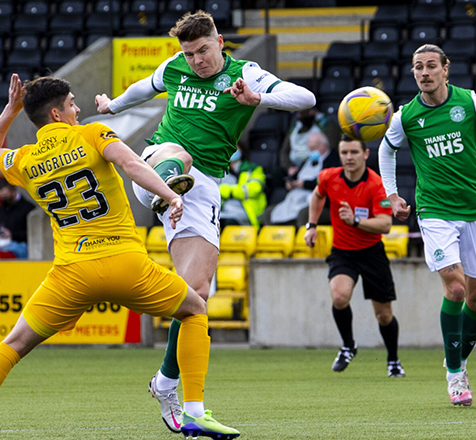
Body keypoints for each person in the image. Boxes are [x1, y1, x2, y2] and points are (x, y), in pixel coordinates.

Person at [0, 74, 240, 440]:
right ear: (56, 114)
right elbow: (133, 165)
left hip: (71, 274)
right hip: (125, 264)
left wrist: (9, 111)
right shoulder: (92, 134)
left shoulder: (27, 158)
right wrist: (172, 195)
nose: (78, 108)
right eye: (71, 103)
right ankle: (193, 411)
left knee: (13, 345)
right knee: (194, 310)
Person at [94, 10, 315, 432]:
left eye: (203, 50)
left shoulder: (245, 73)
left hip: (203, 189)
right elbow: (145, 87)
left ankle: (165, 382)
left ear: (219, 41)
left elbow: (305, 99)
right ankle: (167, 193)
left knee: (196, 296)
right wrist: (112, 105)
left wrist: (257, 98)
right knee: (180, 156)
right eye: (189, 53)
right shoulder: (175, 67)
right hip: (157, 165)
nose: (196, 60)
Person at [378, 44, 476, 406]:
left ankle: (455, 357)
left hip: (474, 210)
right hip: (435, 210)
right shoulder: (406, 116)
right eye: (417, 68)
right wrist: (393, 195)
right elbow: (385, 150)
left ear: (445, 69)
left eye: (430, 66)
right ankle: (456, 376)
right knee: (456, 289)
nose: (424, 73)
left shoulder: (469, 103)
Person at [305, 136, 404, 377]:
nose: (349, 157)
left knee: (383, 315)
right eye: (344, 152)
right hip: (343, 252)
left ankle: (393, 361)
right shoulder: (329, 177)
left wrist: (355, 221)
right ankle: (348, 346)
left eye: (354, 152)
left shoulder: (376, 184)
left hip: (372, 253)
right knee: (339, 297)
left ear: (365, 154)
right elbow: (318, 196)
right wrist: (312, 225)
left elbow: (385, 224)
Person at [262, 131, 340, 227]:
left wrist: (304, 184)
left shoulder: (334, 160)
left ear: (324, 145)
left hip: (321, 203)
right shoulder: (307, 161)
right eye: (309, 148)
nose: (311, 151)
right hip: (297, 199)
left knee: (304, 214)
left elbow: (327, 183)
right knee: (268, 213)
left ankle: (303, 241)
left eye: (314, 147)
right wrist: (290, 183)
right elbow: (295, 177)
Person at [219, 147, 267, 228]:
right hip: (224, 211)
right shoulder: (220, 171)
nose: (233, 149)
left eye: (236, 147)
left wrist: (228, 191)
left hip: (247, 213)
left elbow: (254, 189)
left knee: (230, 222)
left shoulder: (254, 169)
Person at [0, 178, 35, 258]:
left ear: (13, 191)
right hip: (1, 243)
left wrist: (12, 235)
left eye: (6, 196)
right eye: (1, 197)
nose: (4, 200)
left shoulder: (28, 208)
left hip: (20, 245)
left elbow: (32, 235)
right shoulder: (1, 209)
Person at [280, 106, 324, 171]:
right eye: (301, 113)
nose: (302, 115)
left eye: (306, 112)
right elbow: (284, 152)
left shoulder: (323, 127)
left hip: (313, 165)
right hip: (293, 166)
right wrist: (289, 167)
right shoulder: (293, 130)